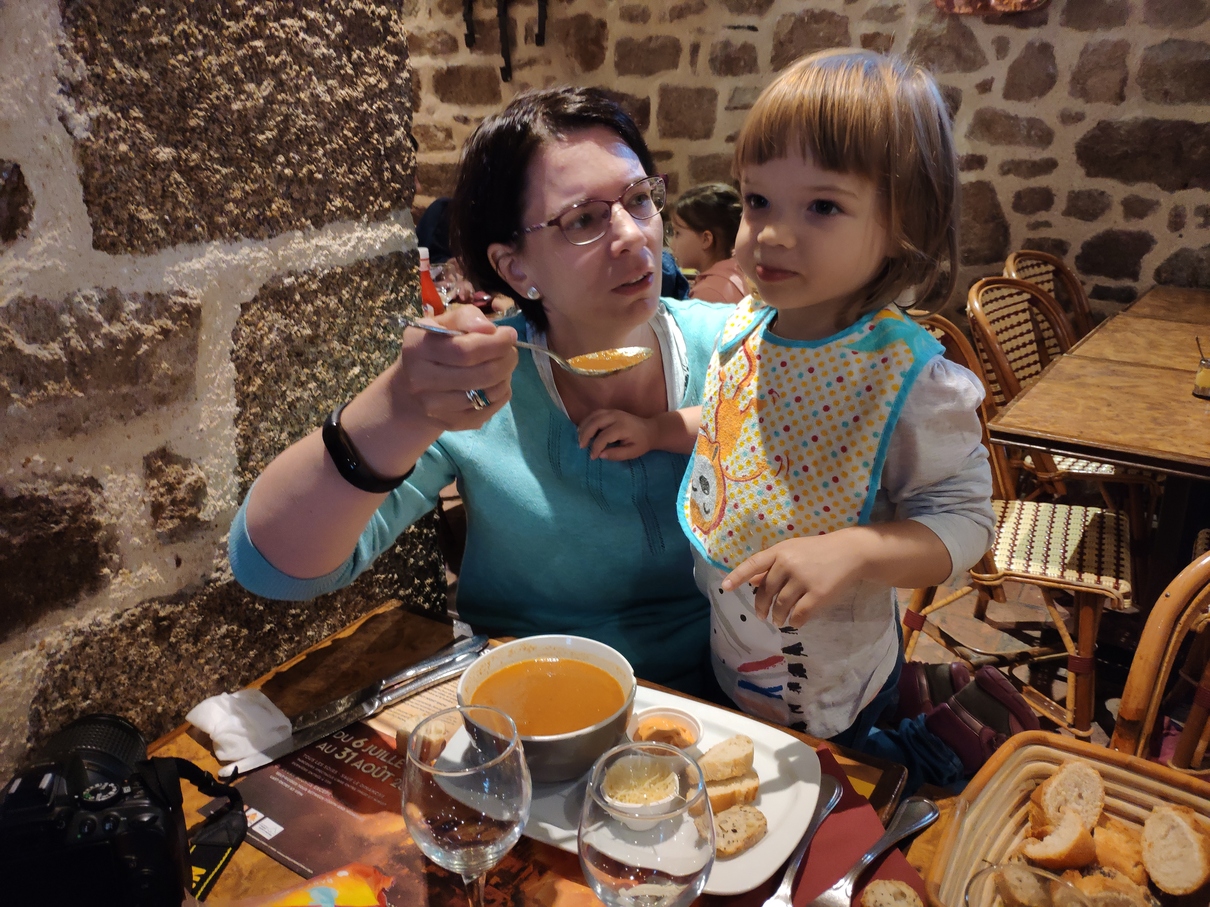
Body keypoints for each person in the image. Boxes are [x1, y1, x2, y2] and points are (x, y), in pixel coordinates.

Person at [577, 49, 1039, 792]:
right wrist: (662, 429)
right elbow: (734, 421)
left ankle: (915, 750)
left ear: (904, 225)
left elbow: (966, 522)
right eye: (759, 201)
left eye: (822, 206)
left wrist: (854, 550)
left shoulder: (910, 379)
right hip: (729, 646)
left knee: (833, 785)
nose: (773, 234)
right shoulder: (748, 326)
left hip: (832, 681)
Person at [228, 87, 734, 696]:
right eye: (583, 219)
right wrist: (401, 405)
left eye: (638, 200)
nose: (631, 234)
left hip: (733, 697)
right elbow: (275, 567)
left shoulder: (739, 347)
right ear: (517, 269)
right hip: (535, 703)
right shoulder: (481, 378)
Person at [667, 183, 747, 304]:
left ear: (706, 239)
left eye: (677, 233)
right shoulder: (740, 272)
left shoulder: (707, 293)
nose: (672, 245)